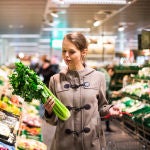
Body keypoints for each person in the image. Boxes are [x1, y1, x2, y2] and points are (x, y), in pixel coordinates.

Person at [43, 32, 122, 150]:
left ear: (83, 52)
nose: (66, 56)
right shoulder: (55, 80)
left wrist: (110, 109)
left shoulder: (99, 77)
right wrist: (49, 112)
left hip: (91, 143)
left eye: (71, 51)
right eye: (64, 51)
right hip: (64, 144)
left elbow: (101, 108)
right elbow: (53, 121)